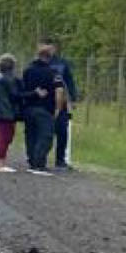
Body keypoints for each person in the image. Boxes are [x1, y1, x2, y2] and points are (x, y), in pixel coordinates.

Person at [20, 47, 63, 173]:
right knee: (46, 136)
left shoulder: (27, 71)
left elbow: (22, 89)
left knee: (31, 135)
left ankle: (32, 161)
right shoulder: (54, 73)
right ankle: (39, 163)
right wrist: (58, 109)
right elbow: (59, 91)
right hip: (45, 109)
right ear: (49, 58)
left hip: (28, 108)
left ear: (37, 56)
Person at [47, 39, 80, 170]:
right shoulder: (37, 64)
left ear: (54, 48)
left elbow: (70, 82)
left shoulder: (62, 64)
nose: (48, 51)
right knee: (44, 131)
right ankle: (38, 158)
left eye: (50, 48)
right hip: (44, 103)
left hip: (62, 102)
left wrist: (73, 98)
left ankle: (60, 160)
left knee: (62, 131)